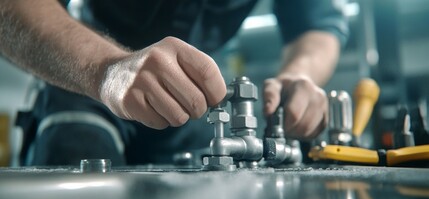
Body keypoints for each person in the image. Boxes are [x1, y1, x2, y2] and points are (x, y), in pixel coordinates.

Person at [0, 0, 348, 166]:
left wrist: (300, 74)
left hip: (195, 106)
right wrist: (106, 69)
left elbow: (315, 24)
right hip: (85, 85)